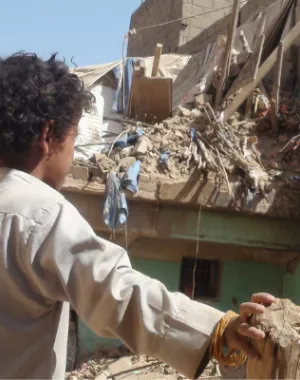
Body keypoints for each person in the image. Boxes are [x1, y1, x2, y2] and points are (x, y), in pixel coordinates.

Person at [0, 52, 275, 379]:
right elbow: (114, 291)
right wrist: (220, 328)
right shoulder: (38, 212)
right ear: (48, 136)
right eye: (73, 137)